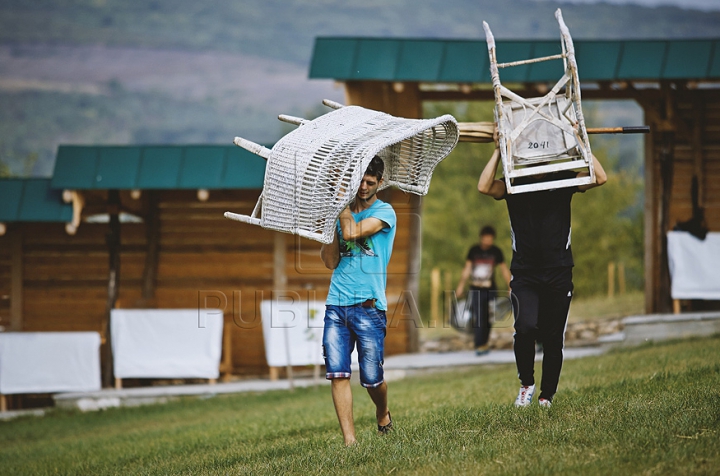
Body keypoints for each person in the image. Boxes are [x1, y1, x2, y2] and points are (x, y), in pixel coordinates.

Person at [477, 130, 607, 408]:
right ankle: (527, 384)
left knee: (552, 336)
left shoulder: (561, 179)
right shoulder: (514, 182)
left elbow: (600, 177)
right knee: (525, 328)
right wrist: (499, 149)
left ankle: (547, 396)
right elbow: (484, 186)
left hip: (559, 270)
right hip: (524, 272)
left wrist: (579, 139)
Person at [320, 155, 396, 446]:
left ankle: (382, 413)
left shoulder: (385, 212)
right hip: (336, 304)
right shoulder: (342, 214)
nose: (363, 187)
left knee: (372, 379)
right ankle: (350, 442)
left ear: (380, 183)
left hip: (369, 307)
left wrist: (339, 206)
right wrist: (330, 227)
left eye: (370, 182)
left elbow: (353, 231)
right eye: (359, 181)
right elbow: (330, 261)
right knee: (338, 373)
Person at [455, 225, 511, 355]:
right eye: (486, 238)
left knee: (489, 317)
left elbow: (504, 270)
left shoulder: (496, 252)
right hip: (476, 289)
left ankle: (484, 343)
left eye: (490, 239)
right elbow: (467, 269)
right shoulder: (474, 251)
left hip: (490, 290)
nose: (488, 241)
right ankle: (479, 345)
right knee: (479, 316)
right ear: (481, 238)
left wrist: (510, 285)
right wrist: (460, 286)